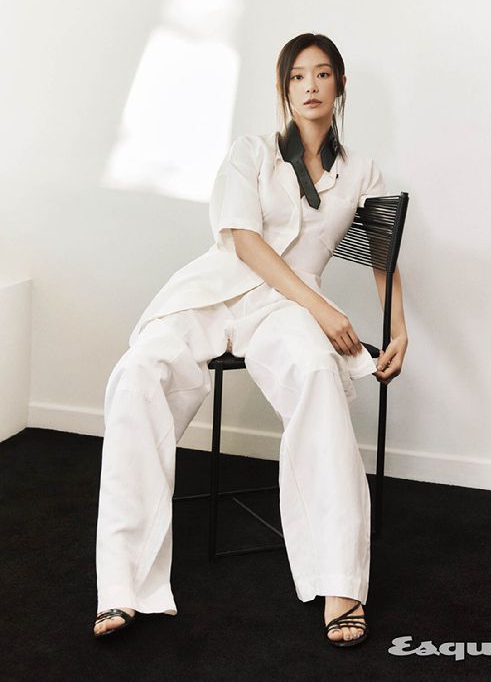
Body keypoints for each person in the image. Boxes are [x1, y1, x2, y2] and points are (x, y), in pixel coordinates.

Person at [92, 32, 408, 648]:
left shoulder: (361, 171)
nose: (310, 86)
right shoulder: (252, 152)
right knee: (137, 375)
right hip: (216, 291)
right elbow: (243, 239)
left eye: (322, 74)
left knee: (317, 375)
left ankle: (340, 583)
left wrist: (397, 329)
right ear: (284, 89)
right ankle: (122, 585)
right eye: (298, 76)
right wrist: (322, 308)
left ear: (340, 85)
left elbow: (382, 255)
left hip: (285, 310)